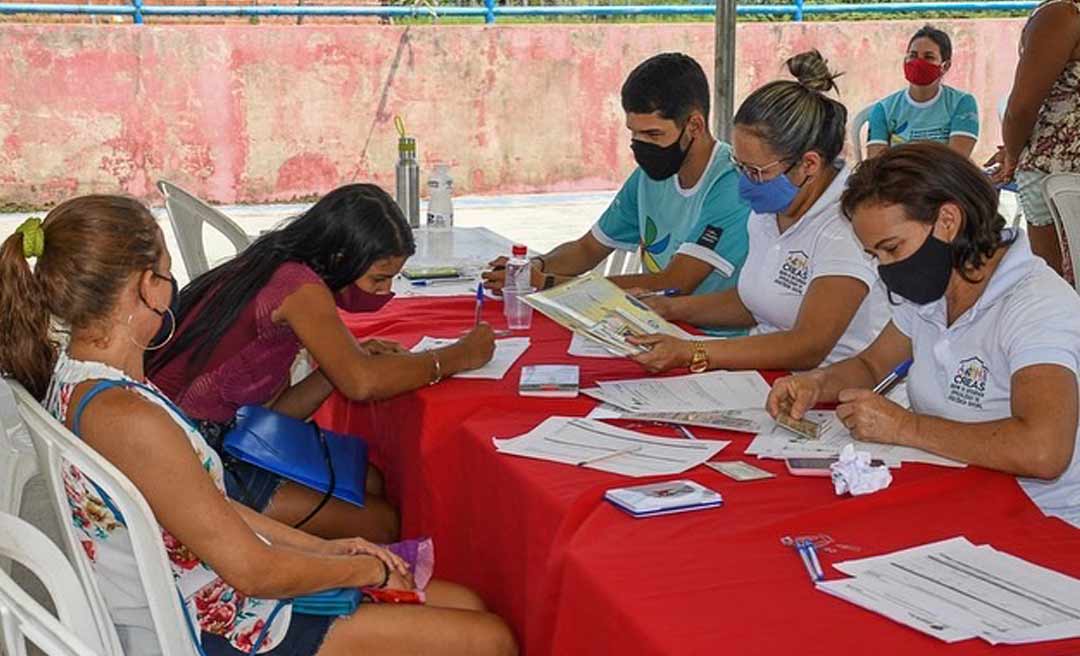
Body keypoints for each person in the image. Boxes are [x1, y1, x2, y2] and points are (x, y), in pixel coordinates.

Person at [0, 195, 518, 655]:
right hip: (216, 624)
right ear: (148, 289)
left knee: (465, 602)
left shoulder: (89, 379)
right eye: (166, 273)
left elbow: (210, 508)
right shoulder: (127, 416)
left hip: (208, 588)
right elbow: (254, 571)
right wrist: (365, 567)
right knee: (489, 638)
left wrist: (327, 548)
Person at [147, 184, 496, 543]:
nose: (385, 290)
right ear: (342, 257)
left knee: (371, 481)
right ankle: (328, 586)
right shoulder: (300, 289)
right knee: (384, 522)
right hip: (188, 461)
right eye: (378, 278)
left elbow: (277, 413)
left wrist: (336, 365)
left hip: (210, 436)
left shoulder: (275, 262)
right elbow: (361, 384)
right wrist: (457, 356)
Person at [768, 143, 1080, 527]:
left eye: (892, 249)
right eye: (874, 256)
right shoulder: (932, 289)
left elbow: (1044, 450)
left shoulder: (1035, 305)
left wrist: (904, 427)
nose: (886, 270)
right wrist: (815, 383)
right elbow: (870, 365)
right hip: (957, 494)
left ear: (948, 220)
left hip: (1044, 521)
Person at [629, 51, 889, 374]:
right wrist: (668, 307)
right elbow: (756, 303)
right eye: (739, 166)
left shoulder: (848, 226)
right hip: (766, 379)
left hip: (829, 395)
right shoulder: (772, 206)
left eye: (754, 171)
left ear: (808, 164)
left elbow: (808, 345)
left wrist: (693, 352)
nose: (744, 183)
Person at [482, 52, 751, 306]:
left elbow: (674, 283)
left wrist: (549, 283)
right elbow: (588, 248)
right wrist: (532, 267)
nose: (641, 146)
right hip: (655, 327)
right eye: (634, 134)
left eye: (654, 135)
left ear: (694, 126)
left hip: (710, 340)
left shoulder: (732, 184)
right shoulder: (650, 176)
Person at [989, 0, 1080, 275]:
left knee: (1055, 281)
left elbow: (1021, 108)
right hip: (1060, 171)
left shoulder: (1061, 14)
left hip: (1055, 168)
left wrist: (1012, 157)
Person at [866, 25, 979, 159]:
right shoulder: (883, 109)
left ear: (945, 66)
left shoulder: (962, 103)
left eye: (929, 57)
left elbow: (957, 161)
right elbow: (876, 163)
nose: (919, 62)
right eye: (913, 55)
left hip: (944, 179)